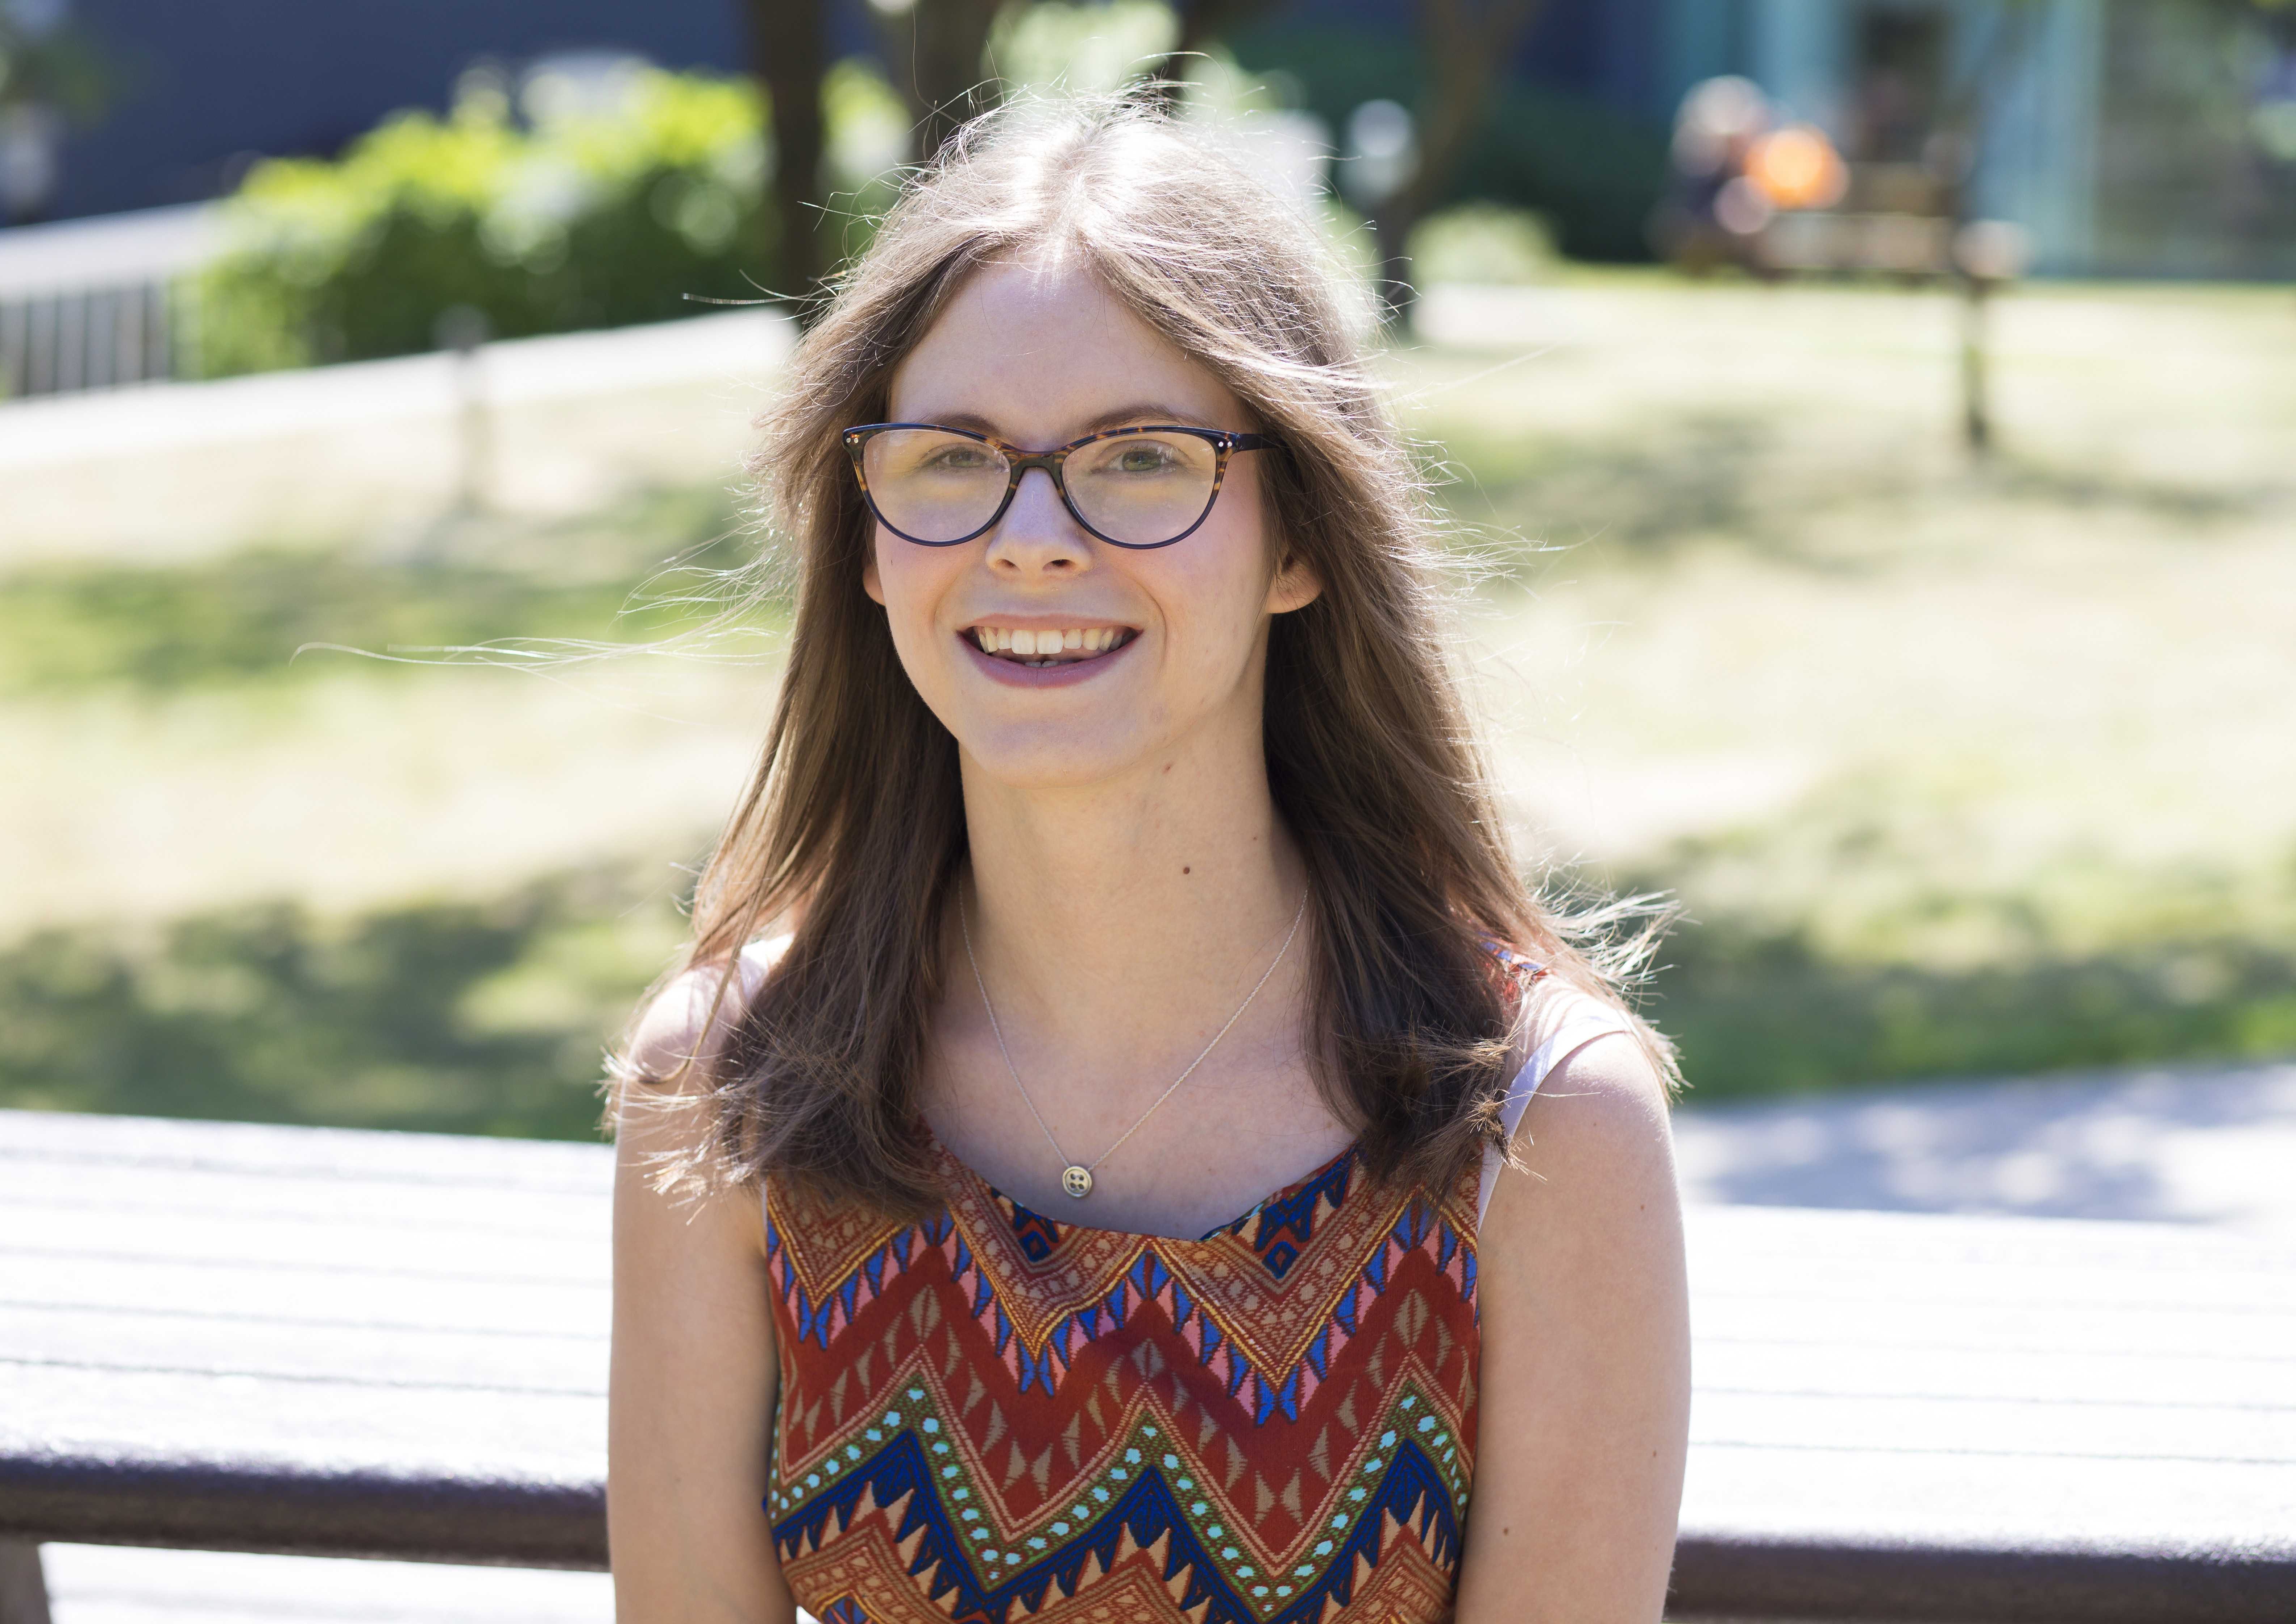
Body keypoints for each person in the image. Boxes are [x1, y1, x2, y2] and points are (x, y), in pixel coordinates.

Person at [609, 96, 1689, 1624]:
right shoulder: (728, 1092)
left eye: (1137, 458)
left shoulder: (1537, 1130)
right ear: (867, 542)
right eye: (950, 455)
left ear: (1300, 542)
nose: (1032, 537)